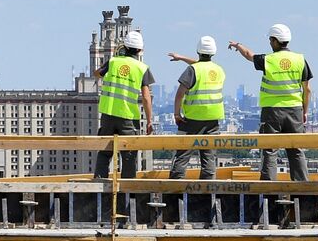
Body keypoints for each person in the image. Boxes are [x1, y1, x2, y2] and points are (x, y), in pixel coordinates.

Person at [228, 23, 311, 183]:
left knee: (270, 149)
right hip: (295, 111)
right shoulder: (300, 59)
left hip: (272, 112)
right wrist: (304, 112)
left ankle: (268, 188)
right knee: (296, 149)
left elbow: (249, 54)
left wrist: (237, 45)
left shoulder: (268, 60)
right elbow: (307, 90)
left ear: (274, 40)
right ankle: (302, 187)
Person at [93, 30, 154, 179]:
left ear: (124, 47)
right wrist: (149, 120)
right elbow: (146, 97)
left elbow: (97, 73)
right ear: (140, 49)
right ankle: (128, 193)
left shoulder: (113, 62)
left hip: (108, 114)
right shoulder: (142, 68)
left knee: (104, 152)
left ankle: (98, 189)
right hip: (128, 118)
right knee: (128, 156)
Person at [165, 36, 225, 180]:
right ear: (213, 52)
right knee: (209, 158)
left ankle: (175, 190)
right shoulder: (219, 70)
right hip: (213, 120)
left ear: (198, 51)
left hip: (191, 120)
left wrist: (176, 114)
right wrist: (182, 58)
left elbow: (179, 94)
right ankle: (208, 194)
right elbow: (203, 66)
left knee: (182, 155)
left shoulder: (192, 70)